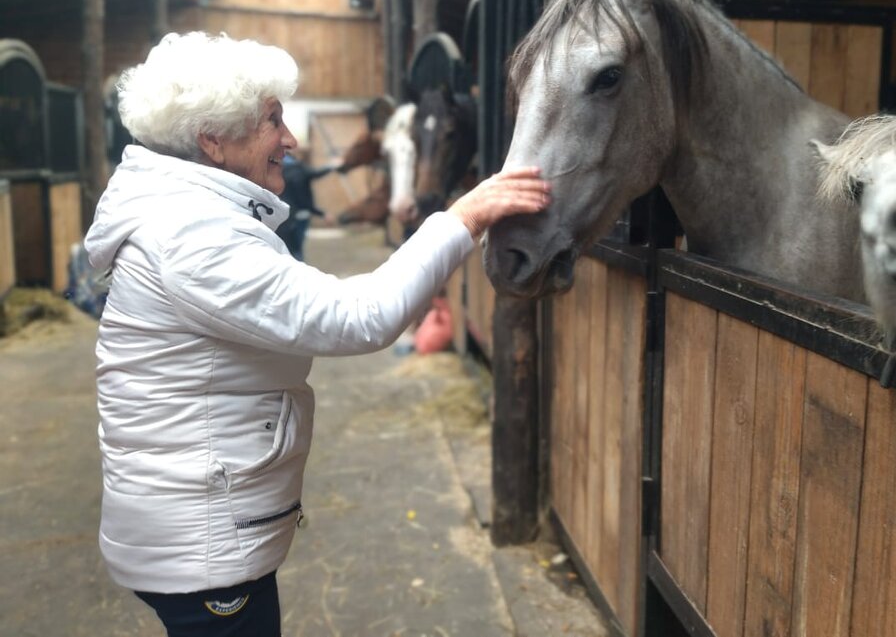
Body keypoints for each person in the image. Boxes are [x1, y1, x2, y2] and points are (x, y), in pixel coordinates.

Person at [83, 31, 550, 637]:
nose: (291, 140)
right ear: (212, 141)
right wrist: (463, 218)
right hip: (200, 543)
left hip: (192, 521)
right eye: (273, 121)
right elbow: (357, 316)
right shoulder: (192, 238)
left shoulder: (183, 217)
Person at [275, 150, 337, 260]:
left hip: (281, 216)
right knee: (297, 250)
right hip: (299, 215)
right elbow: (304, 199)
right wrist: (321, 213)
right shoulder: (299, 169)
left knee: (285, 249)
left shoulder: (276, 170)